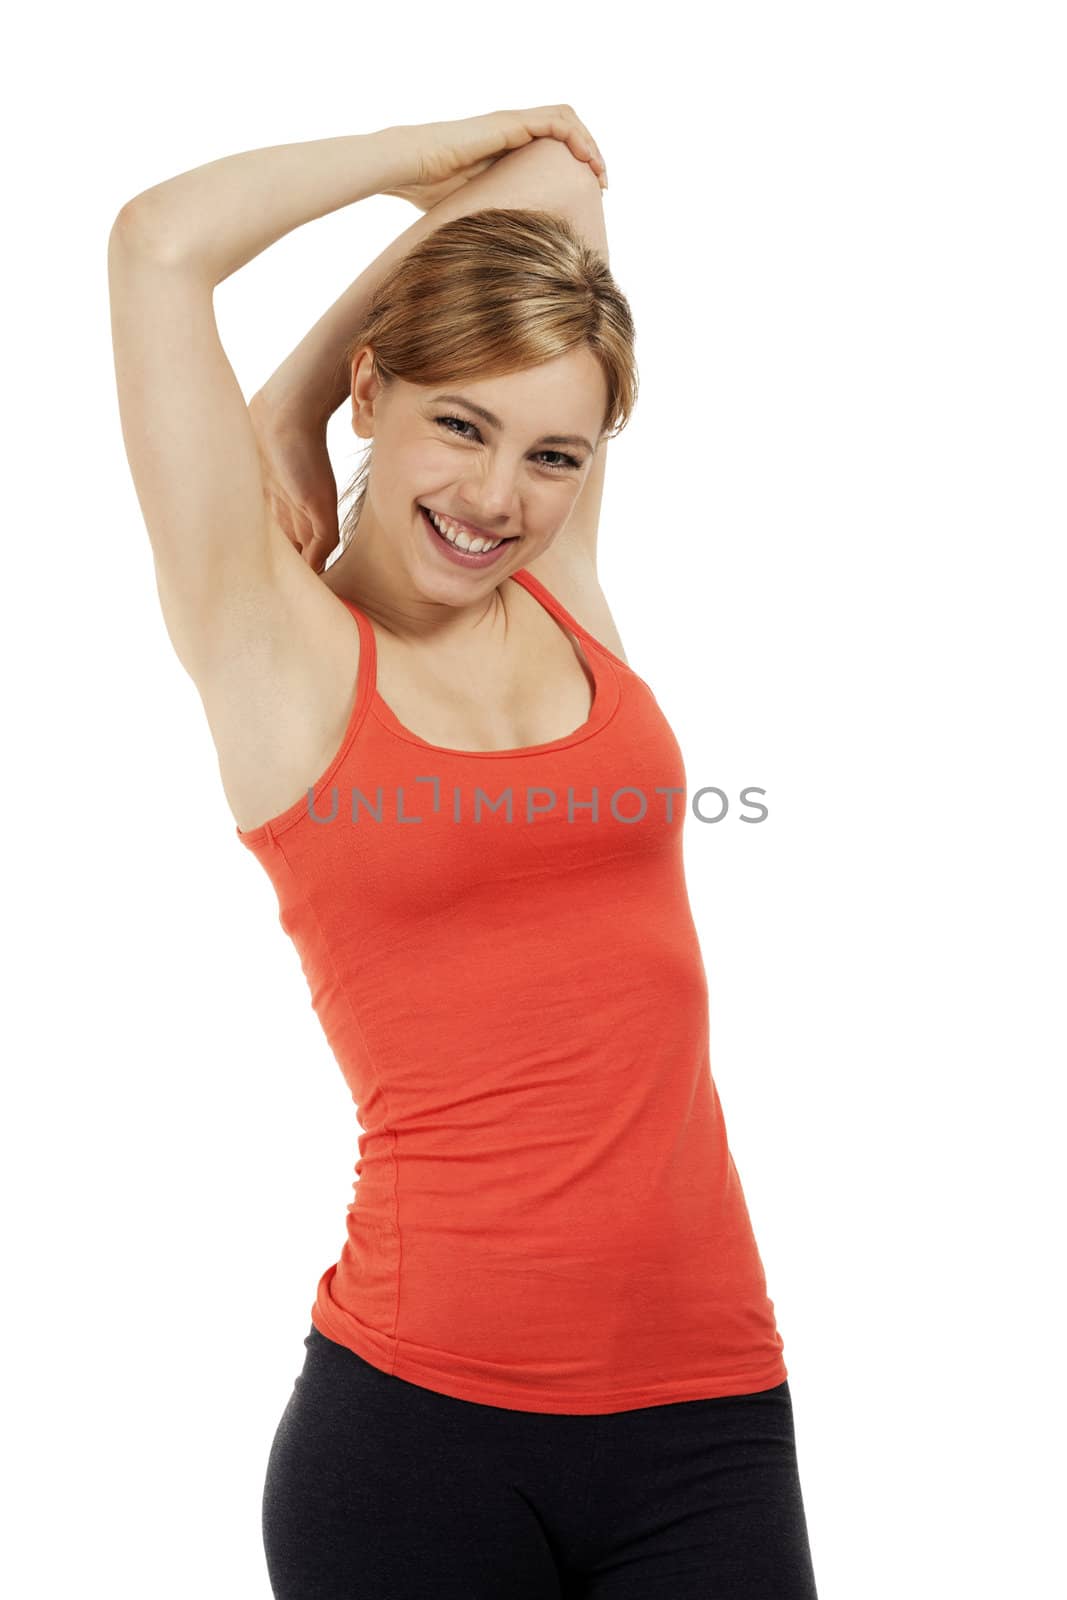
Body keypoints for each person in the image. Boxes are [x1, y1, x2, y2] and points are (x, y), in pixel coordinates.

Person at [108, 106, 819, 1600]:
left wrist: (299, 409)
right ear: (385, 389)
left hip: (713, 1413)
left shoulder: (556, 584)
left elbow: (558, 173)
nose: (497, 498)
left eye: (553, 452)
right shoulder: (275, 645)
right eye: (457, 423)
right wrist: (303, 411)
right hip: (422, 1436)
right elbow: (159, 246)